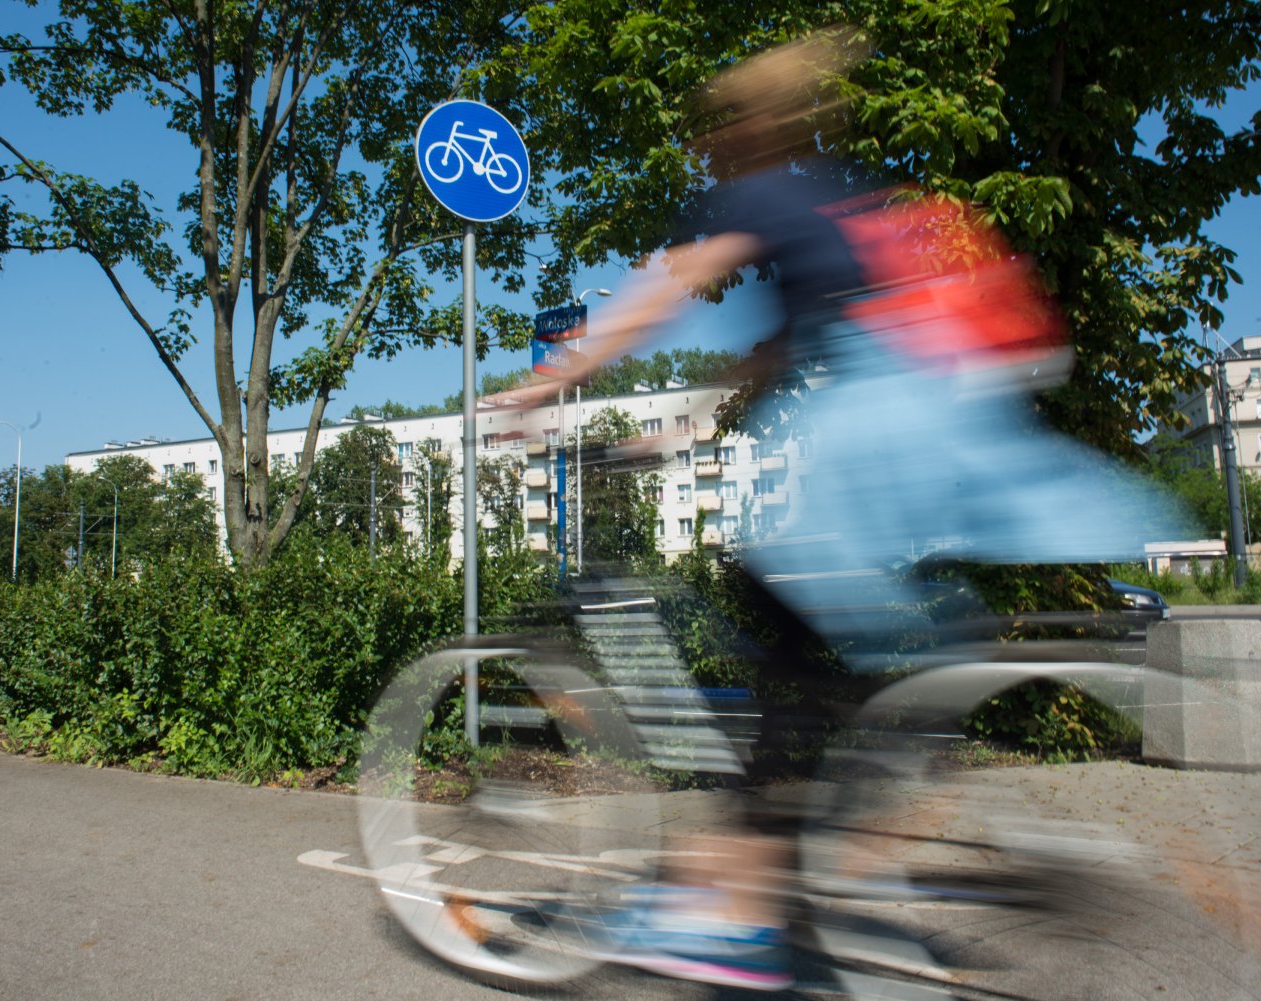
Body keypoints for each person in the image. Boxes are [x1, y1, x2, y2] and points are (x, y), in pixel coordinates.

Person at [508, 28, 1187, 991]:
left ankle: (746, 901)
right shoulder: (834, 195)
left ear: (746, 126)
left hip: (874, 442)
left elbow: (665, 291)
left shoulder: (762, 189)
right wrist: (680, 429)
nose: (707, 150)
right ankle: (840, 826)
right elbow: (780, 350)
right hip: (937, 430)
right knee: (831, 657)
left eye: (714, 130)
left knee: (770, 609)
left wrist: (553, 380)